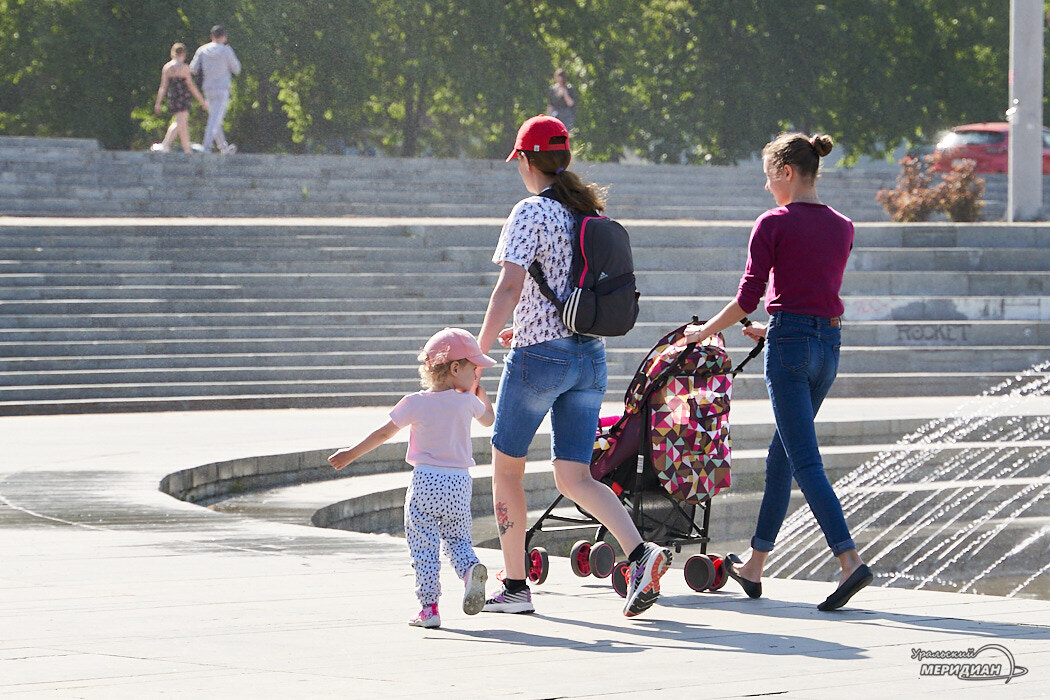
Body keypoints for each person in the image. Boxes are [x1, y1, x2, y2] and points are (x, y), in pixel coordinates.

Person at [477, 114, 672, 618]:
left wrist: (477, 353)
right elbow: (565, 291)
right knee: (574, 476)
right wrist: (523, 328)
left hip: (539, 359)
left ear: (524, 158)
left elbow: (510, 286)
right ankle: (640, 552)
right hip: (589, 357)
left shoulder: (529, 211)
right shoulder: (584, 212)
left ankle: (515, 586)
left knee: (506, 470)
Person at [683, 132, 874, 612]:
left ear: (787, 171)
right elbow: (813, 293)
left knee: (805, 462)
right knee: (782, 459)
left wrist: (703, 331)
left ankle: (849, 561)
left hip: (790, 348)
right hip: (826, 346)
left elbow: (748, 297)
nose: (767, 187)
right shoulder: (843, 226)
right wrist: (776, 326)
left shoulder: (772, 222)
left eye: (770, 176)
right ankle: (754, 565)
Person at [327, 328, 496, 629]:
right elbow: (488, 420)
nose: (477, 375)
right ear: (455, 368)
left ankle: (429, 608)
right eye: (475, 369)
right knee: (457, 538)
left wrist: (350, 454)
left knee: (424, 545)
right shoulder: (467, 402)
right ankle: (470, 570)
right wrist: (481, 396)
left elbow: (384, 433)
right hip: (459, 483)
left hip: (427, 481)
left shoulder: (415, 402)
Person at [189, 25, 241, 154]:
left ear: (211, 36)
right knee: (215, 119)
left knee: (214, 118)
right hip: (222, 89)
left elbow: (193, 69)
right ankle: (206, 147)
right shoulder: (226, 51)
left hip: (208, 88)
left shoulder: (202, 50)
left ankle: (223, 147)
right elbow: (237, 69)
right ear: (224, 37)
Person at [151, 43, 208, 154]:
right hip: (183, 97)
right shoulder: (184, 67)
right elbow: (190, 85)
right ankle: (165, 145)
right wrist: (202, 100)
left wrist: (158, 103)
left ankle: (187, 151)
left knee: (183, 124)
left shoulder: (167, 67)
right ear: (183, 54)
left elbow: (163, 87)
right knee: (179, 122)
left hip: (173, 96)